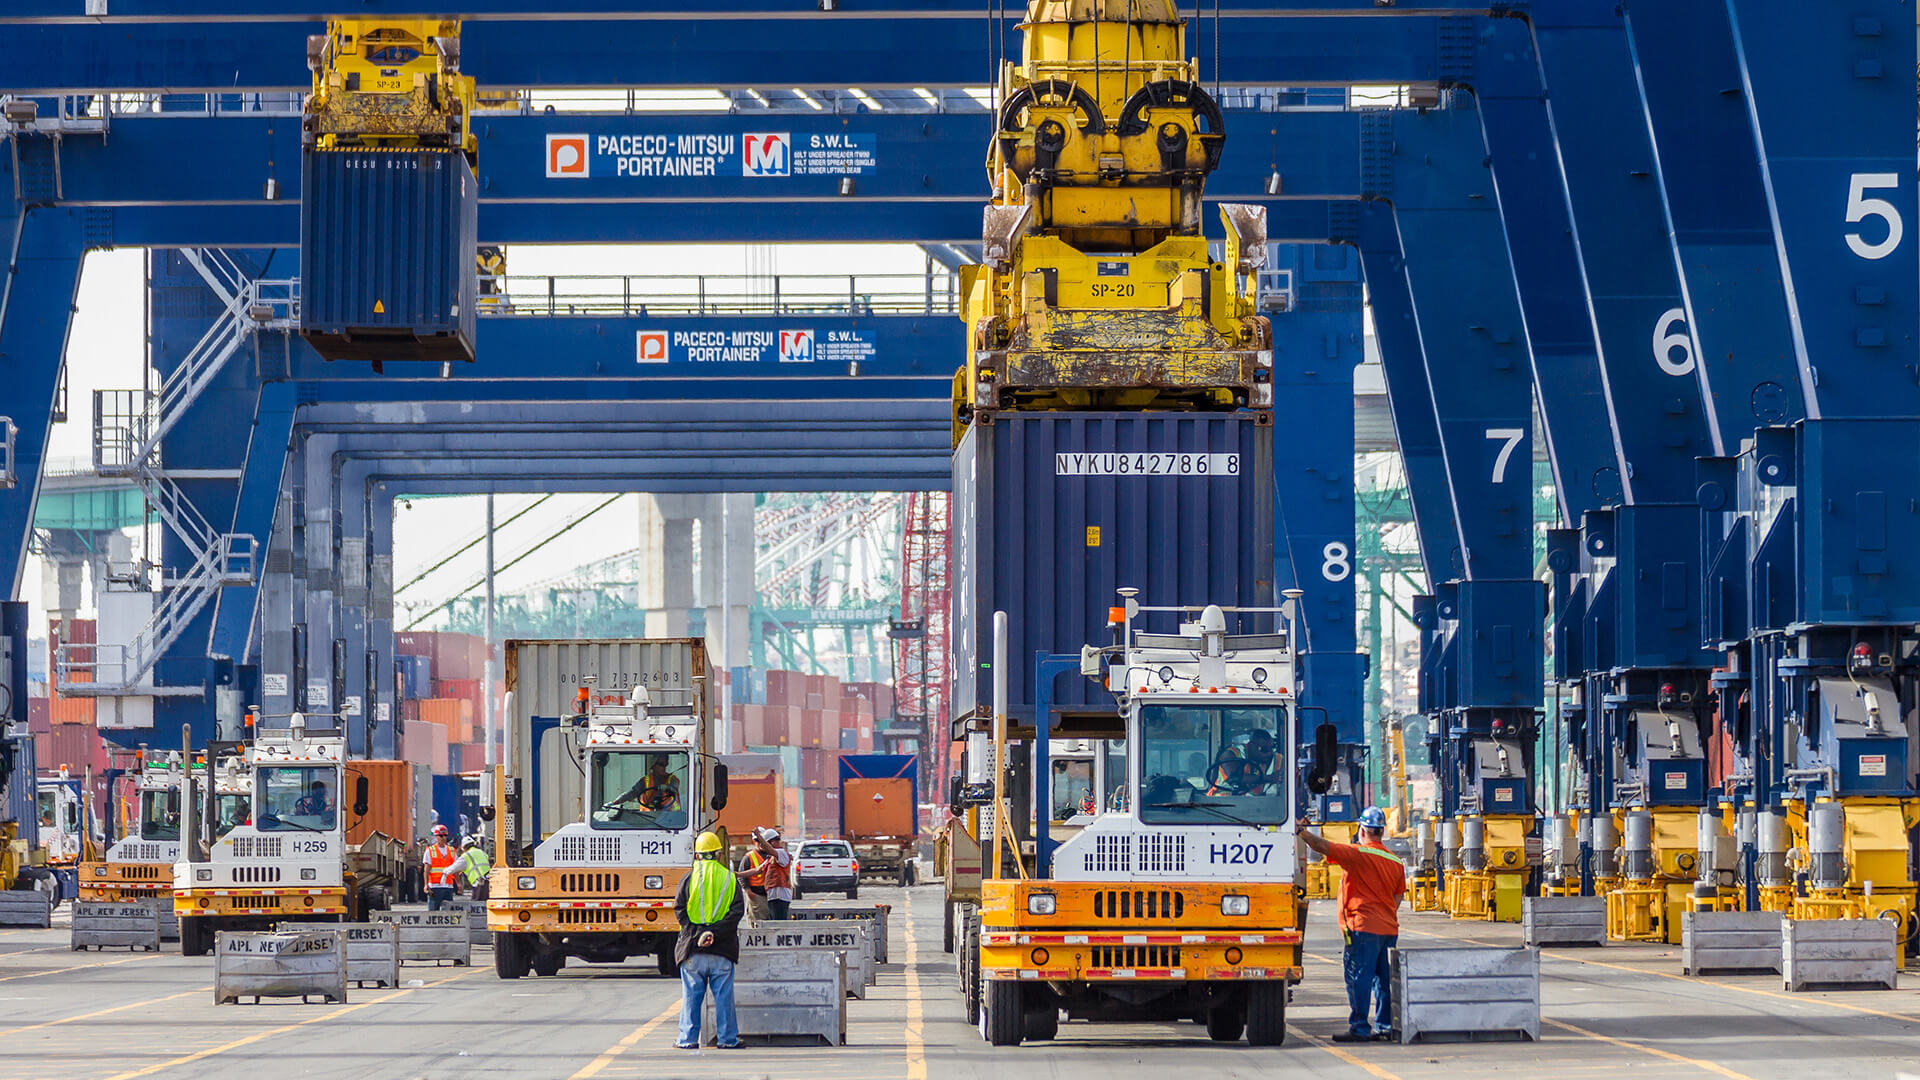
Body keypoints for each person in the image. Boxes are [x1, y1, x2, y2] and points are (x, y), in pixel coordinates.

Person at [1300, 805, 1406, 1042]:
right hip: (1388, 929)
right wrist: (1384, 913)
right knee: (1383, 980)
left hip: (1363, 928)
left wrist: (1301, 832)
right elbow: (1398, 896)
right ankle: (1385, 1026)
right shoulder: (1395, 860)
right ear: (1381, 831)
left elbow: (1322, 846)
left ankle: (1359, 1028)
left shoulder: (1358, 854)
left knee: (1359, 976)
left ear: (1364, 830)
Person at [673, 831, 746, 1050]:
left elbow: (679, 910)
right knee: (724, 999)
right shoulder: (730, 878)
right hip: (721, 951)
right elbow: (736, 913)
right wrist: (714, 933)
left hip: (693, 951)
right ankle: (727, 1039)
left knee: (691, 998)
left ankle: (687, 1040)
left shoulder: (688, 878)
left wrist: (698, 935)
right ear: (718, 854)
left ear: (697, 855)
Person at [423, 824, 459, 911]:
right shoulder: (430, 850)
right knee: (433, 913)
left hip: (448, 886)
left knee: (449, 913)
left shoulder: (451, 850)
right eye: (441, 836)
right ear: (436, 836)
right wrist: (426, 884)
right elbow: (426, 870)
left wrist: (458, 883)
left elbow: (455, 869)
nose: (443, 838)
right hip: (435, 887)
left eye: (445, 835)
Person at [455, 835, 492, 902]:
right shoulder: (482, 852)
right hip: (488, 882)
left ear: (464, 848)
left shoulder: (466, 855)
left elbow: (454, 868)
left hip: (479, 883)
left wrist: (445, 872)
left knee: (476, 904)